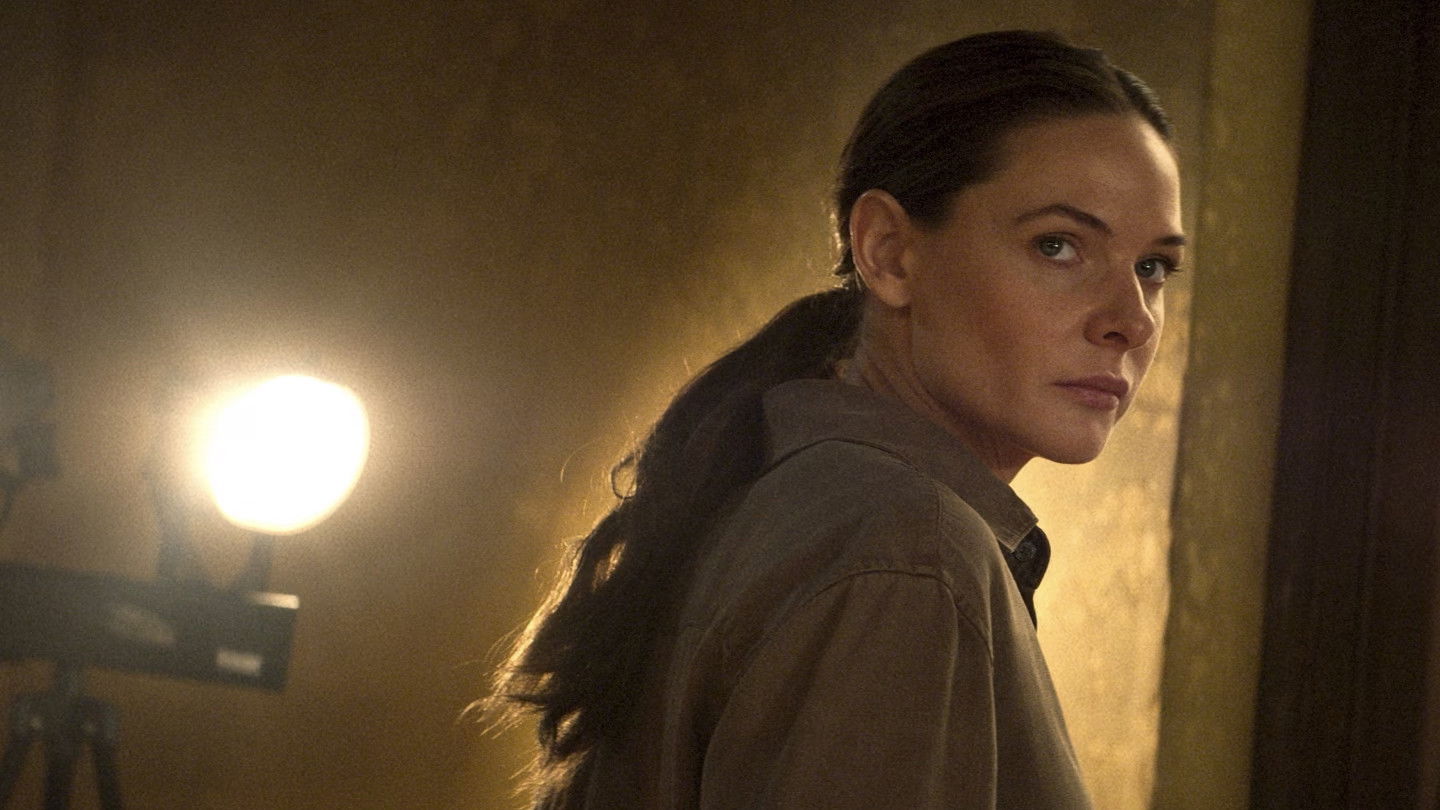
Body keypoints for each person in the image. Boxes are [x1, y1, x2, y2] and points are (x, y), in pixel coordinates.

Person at [489, 29, 1184, 809]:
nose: (1132, 319)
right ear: (887, 251)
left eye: (1153, 266)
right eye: (1058, 246)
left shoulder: (801, 501)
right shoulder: (907, 549)